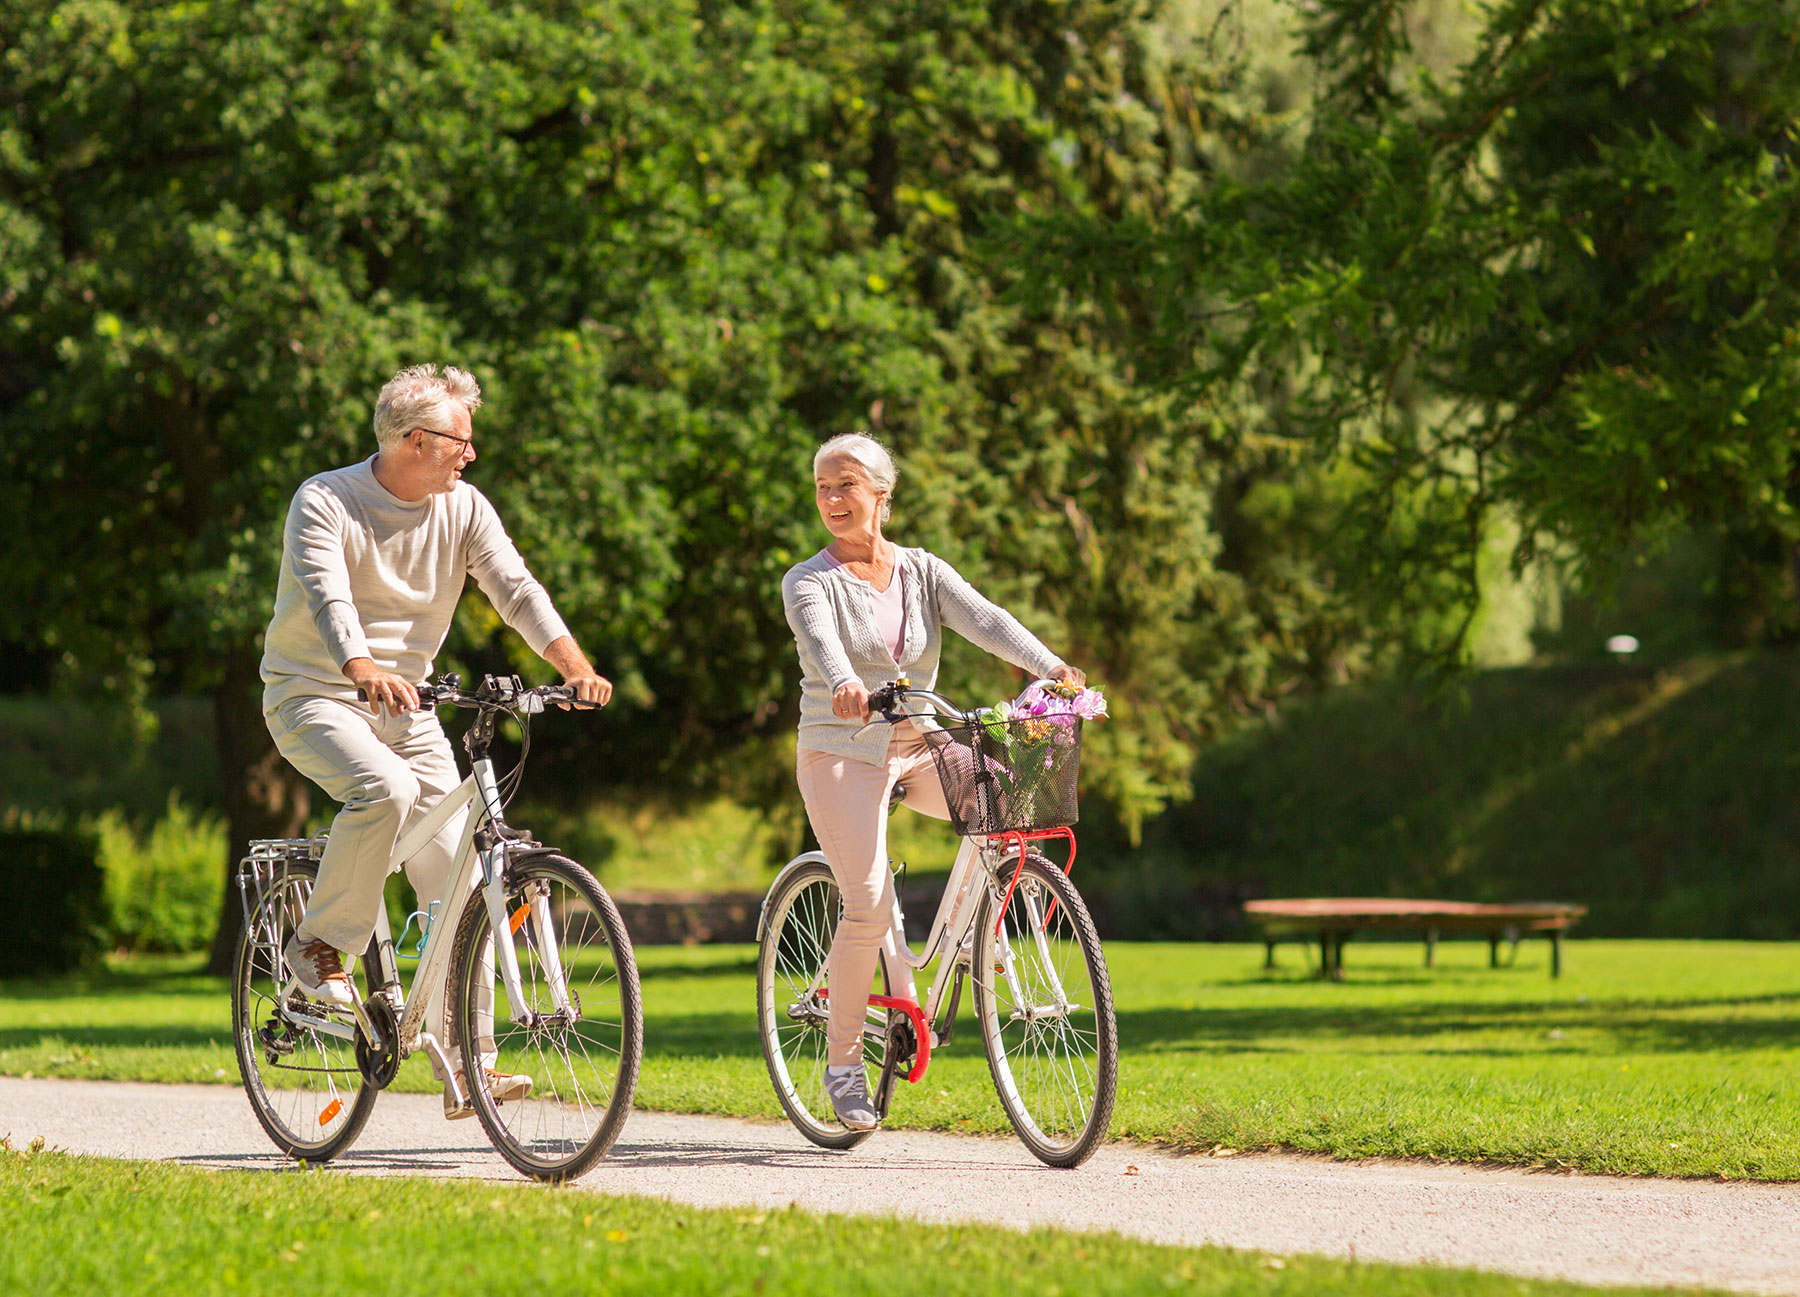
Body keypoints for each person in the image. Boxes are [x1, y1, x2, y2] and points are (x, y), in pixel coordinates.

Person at [260, 363, 612, 1118]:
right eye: (461, 440)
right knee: (380, 790)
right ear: (418, 440)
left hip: (409, 706)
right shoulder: (327, 499)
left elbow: (515, 589)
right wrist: (358, 665)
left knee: (455, 864)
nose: (470, 454)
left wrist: (574, 666)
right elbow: (328, 594)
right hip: (314, 694)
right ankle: (317, 946)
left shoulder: (464, 508)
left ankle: (468, 1057)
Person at [781, 432, 1085, 1130]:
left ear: (881, 495)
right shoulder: (808, 580)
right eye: (822, 486)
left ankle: (971, 944)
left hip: (918, 740)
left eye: (846, 484)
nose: (831, 498)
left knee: (1002, 805)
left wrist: (1050, 666)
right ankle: (844, 1067)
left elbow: (986, 619)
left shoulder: (921, 570)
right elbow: (822, 641)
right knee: (865, 902)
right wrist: (848, 683)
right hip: (841, 747)